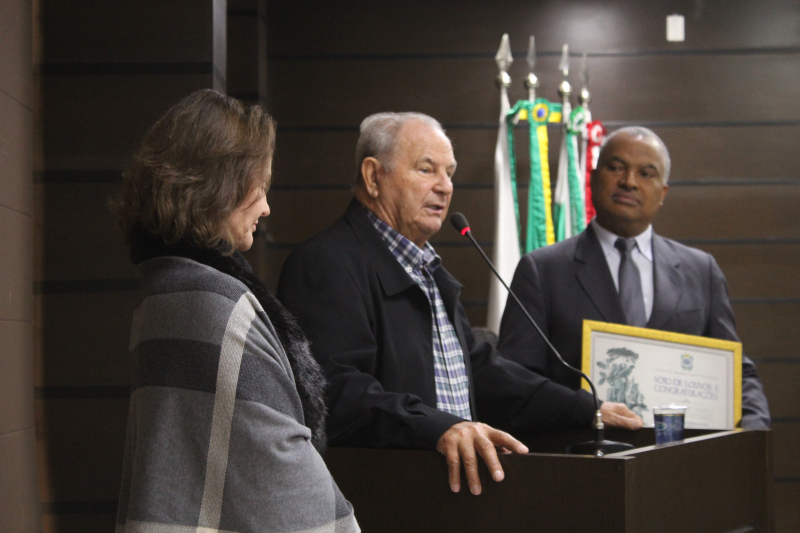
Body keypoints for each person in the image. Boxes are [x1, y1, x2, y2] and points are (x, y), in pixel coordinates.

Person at [277, 112, 643, 497]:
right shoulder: (326, 262)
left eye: (449, 173)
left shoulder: (428, 270)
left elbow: (480, 372)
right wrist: (438, 427)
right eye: (426, 169)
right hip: (381, 500)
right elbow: (337, 392)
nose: (445, 186)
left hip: (452, 497)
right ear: (373, 177)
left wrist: (585, 407)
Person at [112, 89, 359, 533]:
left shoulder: (164, 287)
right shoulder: (217, 305)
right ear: (218, 184)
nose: (266, 206)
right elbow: (282, 475)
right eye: (259, 187)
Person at [497, 126, 771, 429]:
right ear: (593, 178)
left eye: (646, 173)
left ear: (663, 193)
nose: (629, 182)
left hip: (682, 453)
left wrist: (754, 435)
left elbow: (735, 372)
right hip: (583, 452)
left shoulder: (701, 270)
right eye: (616, 168)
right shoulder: (542, 270)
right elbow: (515, 382)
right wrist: (585, 410)